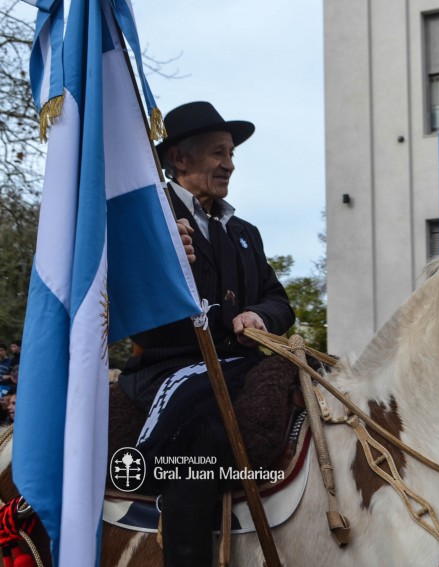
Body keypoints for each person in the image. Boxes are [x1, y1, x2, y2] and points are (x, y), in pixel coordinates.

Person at [117, 101, 295, 566]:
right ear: (180, 159)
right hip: (168, 370)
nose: (229, 164)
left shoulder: (244, 231)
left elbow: (280, 301)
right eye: (219, 152)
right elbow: (127, 309)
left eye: (231, 153)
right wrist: (163, 267)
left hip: (238, 366)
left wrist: (260, 316)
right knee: (210, 436)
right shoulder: (146, 218)